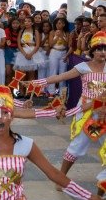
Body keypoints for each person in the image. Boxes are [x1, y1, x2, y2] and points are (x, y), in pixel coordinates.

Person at [32, 30, 106, 190]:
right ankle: (61, 178)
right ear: (92, 51)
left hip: (103, 112)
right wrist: (38, 82)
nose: (103, 52)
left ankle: (103, 183)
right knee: (78, 145)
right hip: (86, 111)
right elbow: (61, 77)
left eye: (105, 49)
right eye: (99, 49)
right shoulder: (83, 66)